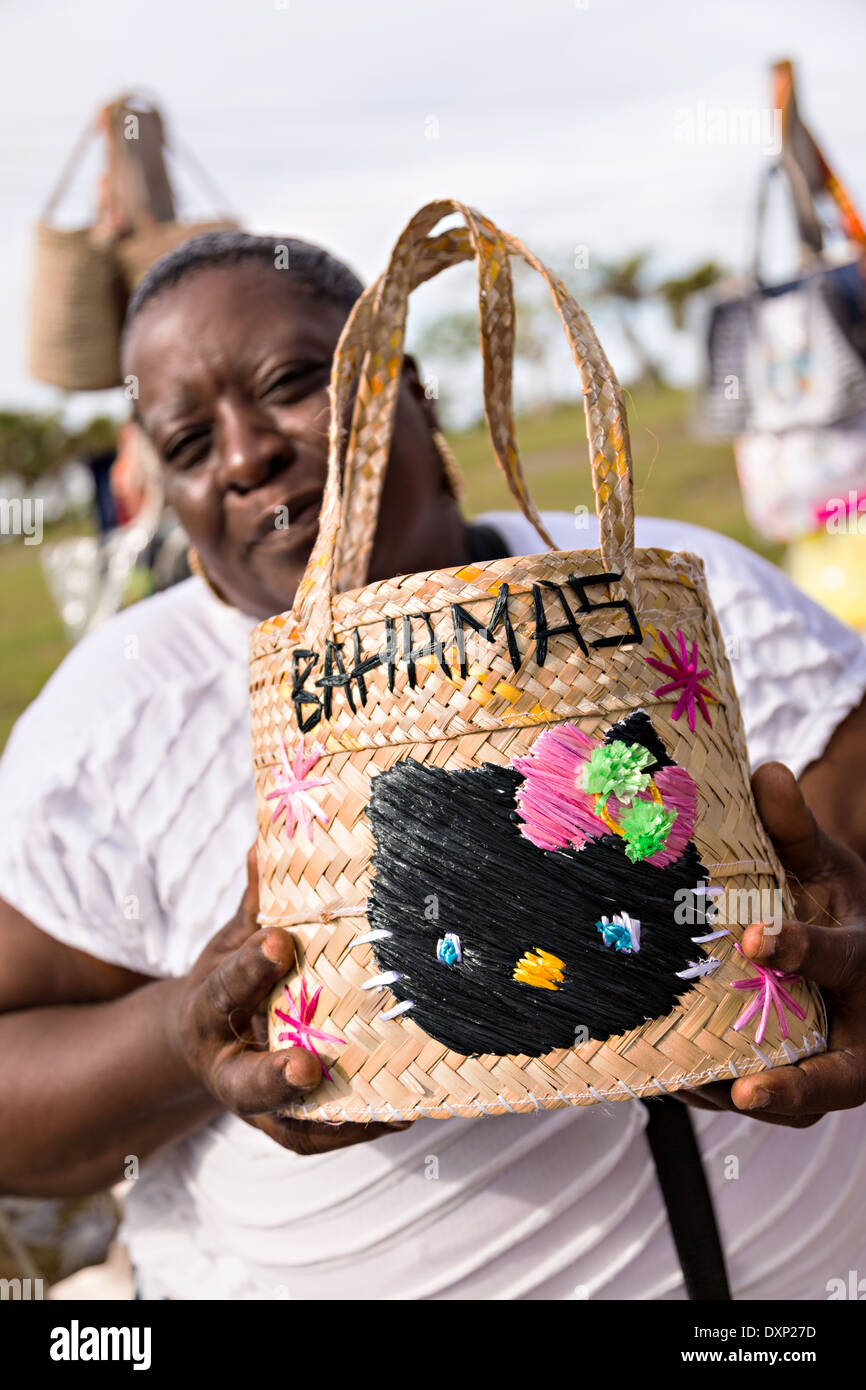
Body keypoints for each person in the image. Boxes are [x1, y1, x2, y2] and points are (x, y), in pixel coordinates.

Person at [1, 231, 865, 1301]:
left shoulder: (676, 603)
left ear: (412, 388)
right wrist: (187, 1041)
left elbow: (845, 880)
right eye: (186, 444)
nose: (243, 456)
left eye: (287, 385)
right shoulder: (119, 719)